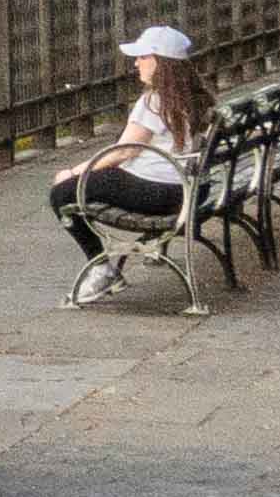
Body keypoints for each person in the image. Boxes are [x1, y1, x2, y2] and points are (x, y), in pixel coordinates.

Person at [51, 28, 210, 303]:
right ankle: (104, 268)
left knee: (62, 193)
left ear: (161, 62)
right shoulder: (194, 97)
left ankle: (101, 269)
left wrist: (73, 173)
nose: (136, 63)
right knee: (82, 184)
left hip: (157, 191)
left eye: (143, 56)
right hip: (189, 189)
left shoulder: (154, 101)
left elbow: (121, 153)